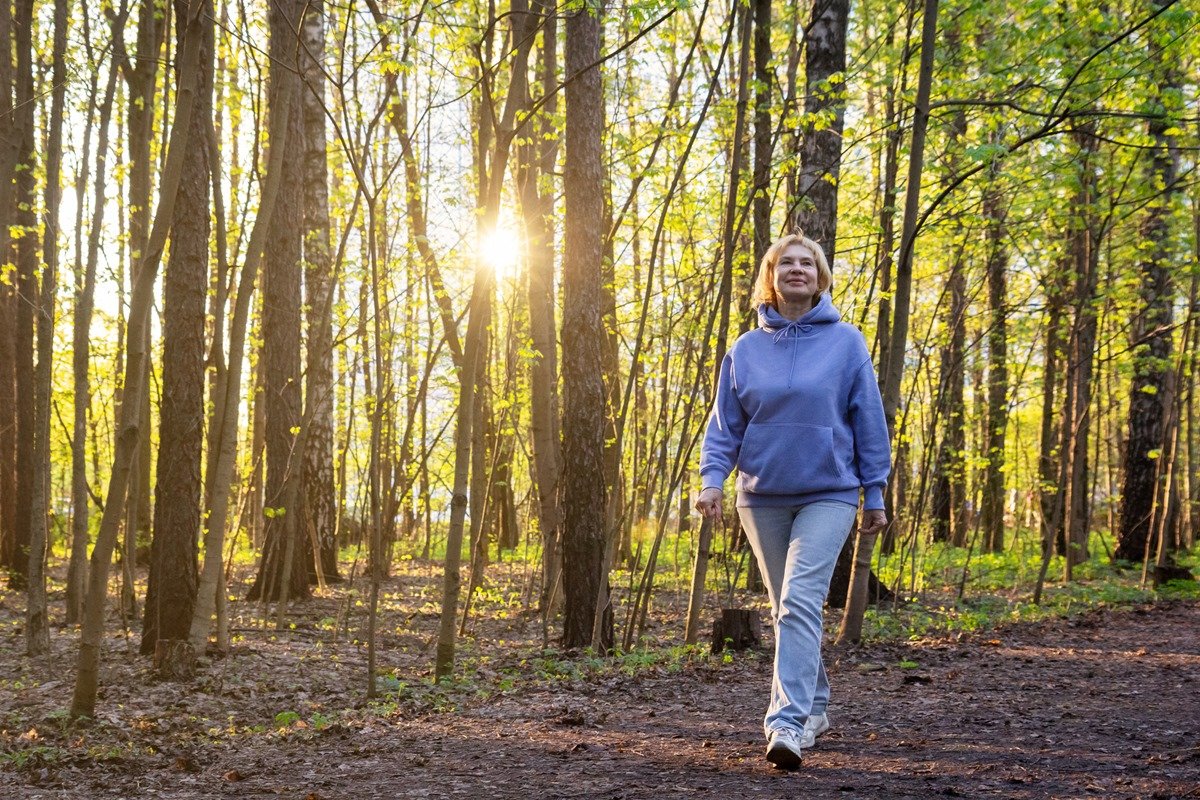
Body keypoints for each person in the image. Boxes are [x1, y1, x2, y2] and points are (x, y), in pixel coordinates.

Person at [696, 231, 890, 770]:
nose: (797, 269)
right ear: (772, 275)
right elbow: (725, 426)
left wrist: (873, 491)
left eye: (808, 262)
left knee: (800, 601)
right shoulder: (745, 348)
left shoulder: (847, 342)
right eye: (786, 262)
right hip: (761, 498)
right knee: (789, 609)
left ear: (821, 277)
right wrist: (713, 480)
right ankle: (818, 706)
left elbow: (868, 421)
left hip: (829, 492)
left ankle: (787, 723)